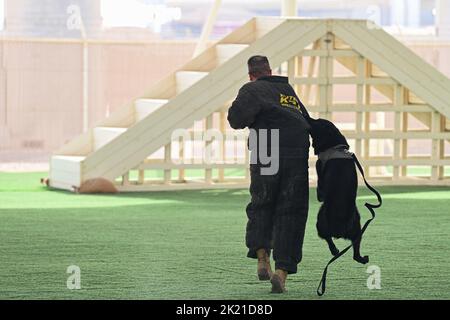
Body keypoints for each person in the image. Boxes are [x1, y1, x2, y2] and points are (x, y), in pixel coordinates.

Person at [227, 55, 311, 293]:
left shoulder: (252, 89)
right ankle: (282, 272)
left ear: (251, 75)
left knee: (262, 203)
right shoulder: (287, 90)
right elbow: (305, 119)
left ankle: (263, 256)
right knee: (292, 211)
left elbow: (236, 120)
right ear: (270, 70)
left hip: (267, 147)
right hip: (296, 151)